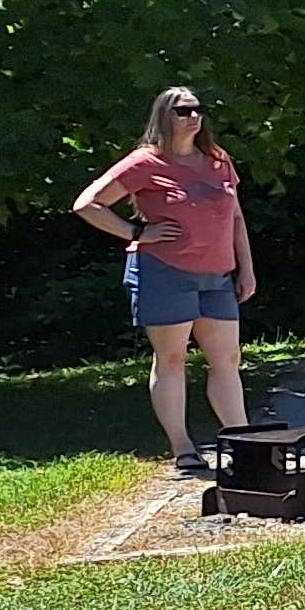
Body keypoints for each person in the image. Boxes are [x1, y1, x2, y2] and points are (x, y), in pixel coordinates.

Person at [72, 86, 258, 472]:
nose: (192, 116)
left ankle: (243, 442)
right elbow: (87, 204)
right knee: (172, 358)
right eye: (182, 111)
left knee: (227, 359)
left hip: (217, 275)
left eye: (197, 109)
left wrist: (247, 268)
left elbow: (235, 217)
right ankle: (183, 448)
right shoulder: (145, 162)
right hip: (164, 272)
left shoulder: (218, 160)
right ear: (164, 117)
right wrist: (136, 233)